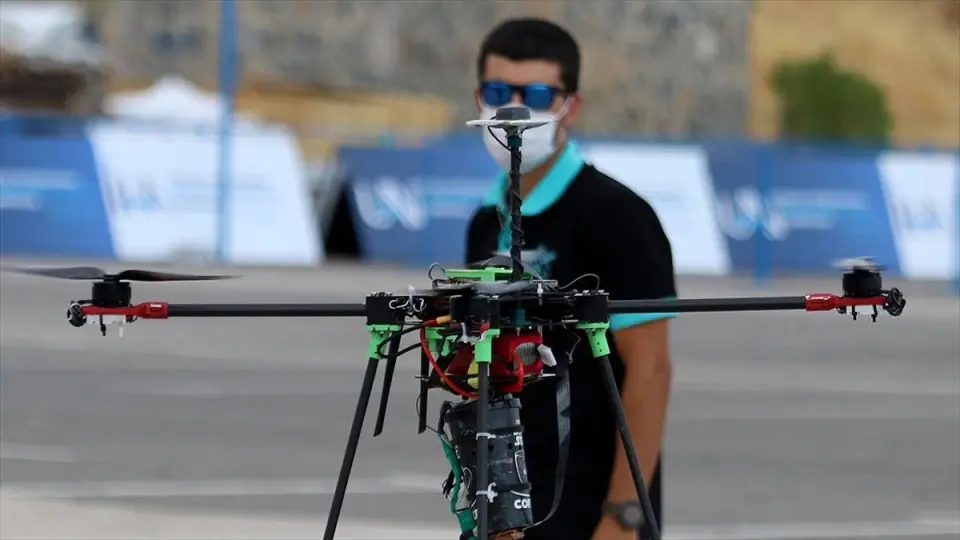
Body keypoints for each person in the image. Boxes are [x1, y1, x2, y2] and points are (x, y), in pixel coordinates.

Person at [464, 18, 678, 540]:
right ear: (478, 99)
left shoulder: (619, 216)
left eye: (537, 95)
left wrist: (623, 514)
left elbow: (650, 370)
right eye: (499, 93)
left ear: (571, 107)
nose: (515, 110)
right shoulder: (484, 221)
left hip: (591, 508)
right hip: (504, 510)